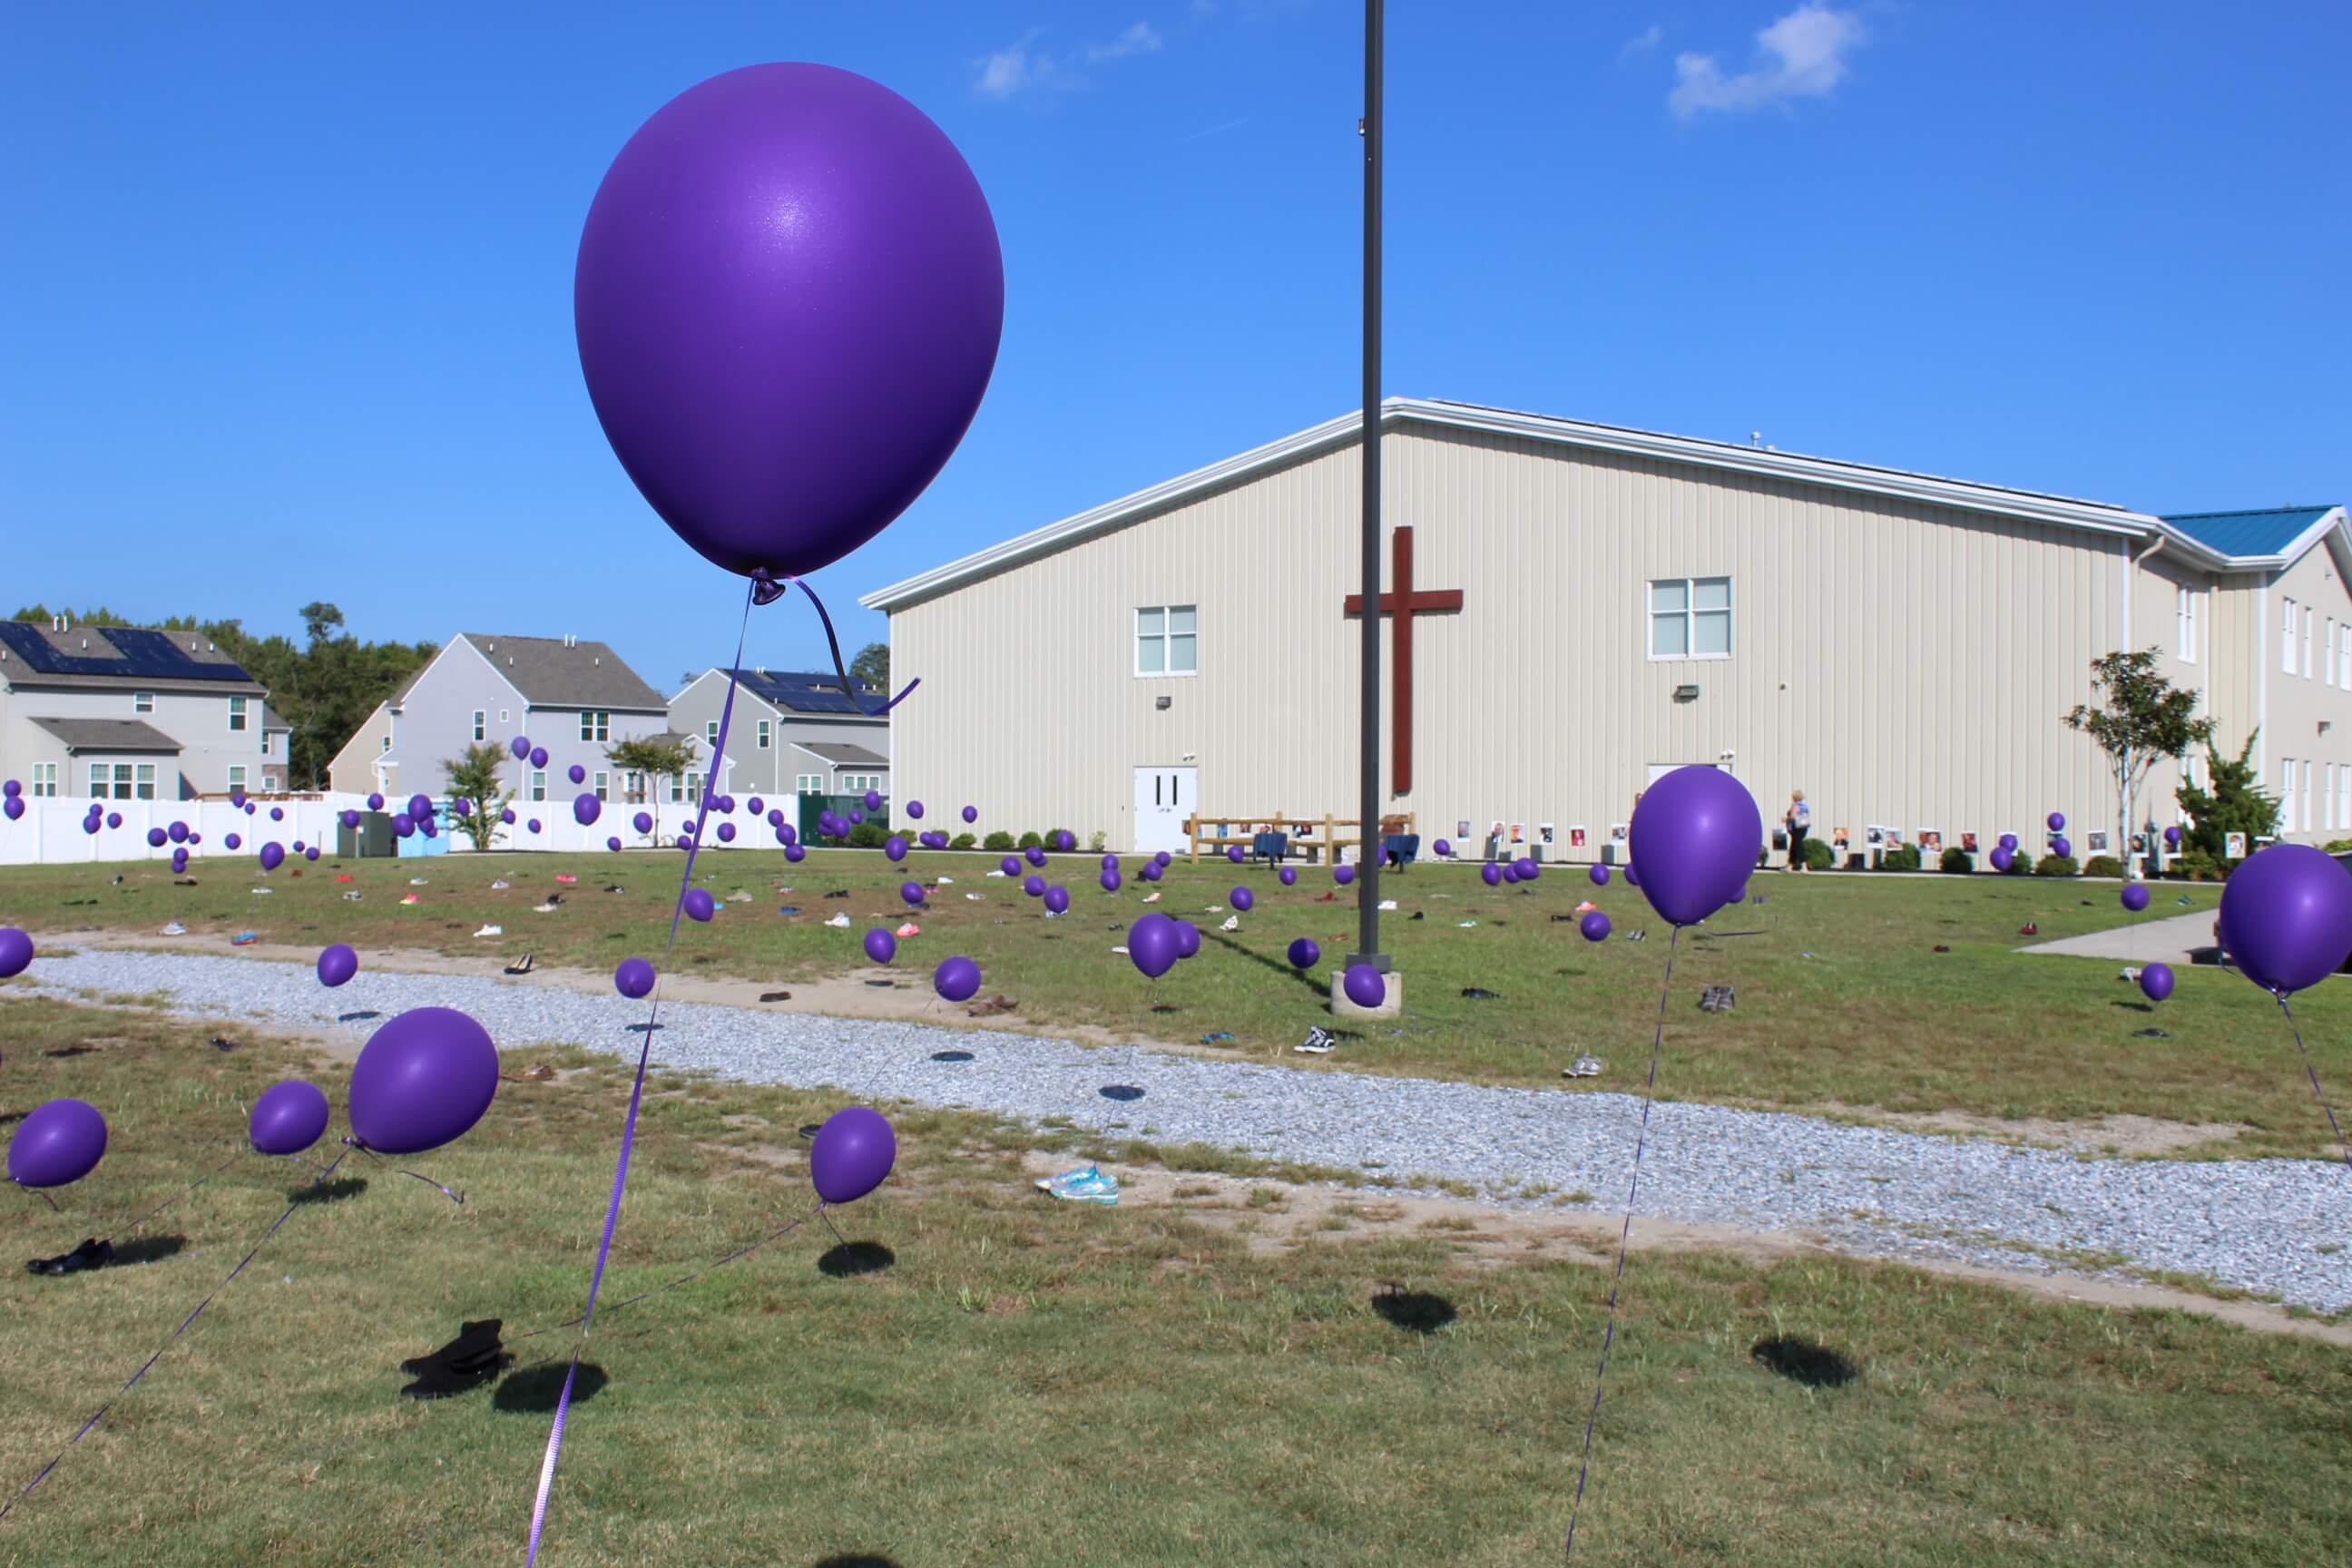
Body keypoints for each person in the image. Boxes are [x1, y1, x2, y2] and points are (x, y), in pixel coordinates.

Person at [1783, 789, 1812, 871]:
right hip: (1803, 827)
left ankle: (1804, 865)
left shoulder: (1795, 805)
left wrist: (1785, 819)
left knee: (1798, 846)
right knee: (1794, 846)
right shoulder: (1805, 806)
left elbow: (1792, 816)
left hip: (1797, 828)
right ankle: (1790, 865)